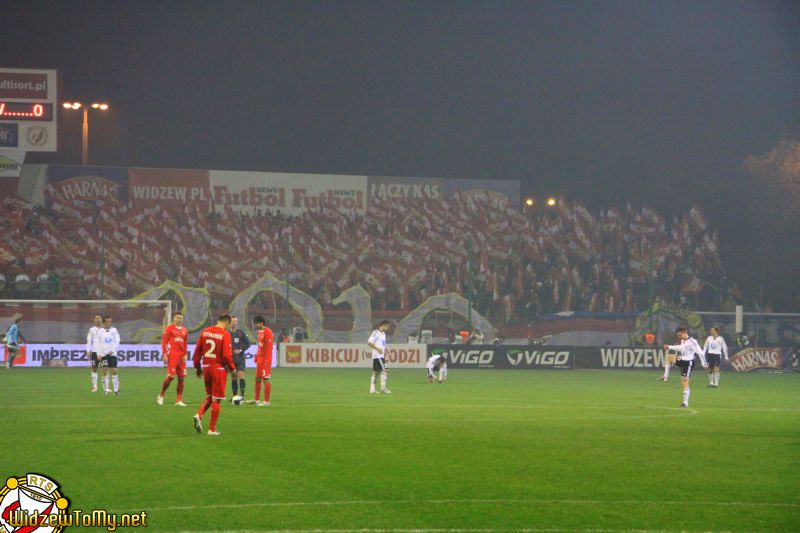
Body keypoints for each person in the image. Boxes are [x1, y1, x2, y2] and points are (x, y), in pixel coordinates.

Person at [192, 314, 234, 436]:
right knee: (217, 399)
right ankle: (212, 429)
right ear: (226, 323)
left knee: (210, 395)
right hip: (219, 368)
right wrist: (232, 368)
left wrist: (198, 368)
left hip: (206, 367)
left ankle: (199, 414)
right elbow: (226, 356)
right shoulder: (225, 334)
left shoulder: (205, 332)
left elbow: (197, 353)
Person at [663, 327, 708, 408]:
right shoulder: (683, 340)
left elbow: (700, 353)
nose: (679, 337)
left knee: (684, 381)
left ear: (684, 332)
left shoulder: (692, 342)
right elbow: (681, 348)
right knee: (669, 357)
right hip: (682, 360)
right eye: (678, 335)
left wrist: (704, 363)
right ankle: (665, 376)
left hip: (688, 363)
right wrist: (669, 347)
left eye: (680, 335)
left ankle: (685, 403)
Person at [157, 311, 189, 406]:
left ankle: (178, 400)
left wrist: (185, 354)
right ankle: (161, 395)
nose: (179, 319)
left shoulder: (184, 330)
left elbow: (185, 343)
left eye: (180, 318)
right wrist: (165, 354)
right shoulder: (169, 329)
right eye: (177, 318)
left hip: (181, 357)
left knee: (181, 378)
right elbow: (164, 342)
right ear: (174, 319)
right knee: (171, 376)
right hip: (172, 355)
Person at [249, 315, 274, 406]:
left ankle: (267, 401)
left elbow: (269, 347)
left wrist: (266, 360)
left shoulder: (268, 332)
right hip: (260, 359)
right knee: (257, 378)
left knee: (265, 379)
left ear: (261, 323)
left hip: (265, 360)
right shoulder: (260, 331)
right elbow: (260, 346)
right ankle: (256, 400)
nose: (255, 325)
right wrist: (257, 355)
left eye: (256, 323)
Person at [97, 316, 121, 395]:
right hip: (103, 354)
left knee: (114, 371)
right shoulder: (100, 331)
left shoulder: (114, 330)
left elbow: (117, 341)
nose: (109, 323)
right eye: (107, 321)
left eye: (110, 321)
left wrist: (113, 350)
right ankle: (106, 390)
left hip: (112, 354)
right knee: (105, 372)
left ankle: (116, 391)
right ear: (104, 322)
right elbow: (97, 343)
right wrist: (98, 354)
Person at [228, 316, 251, 400]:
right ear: (229, 322)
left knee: (241, 376)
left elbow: (248, 344)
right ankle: (234, 396)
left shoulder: (241, 333)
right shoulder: (226, 333)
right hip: (230, 359)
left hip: (240, 358)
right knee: (233, 377)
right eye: (233, 321)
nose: (234, 323)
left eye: (236, 321)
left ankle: (242, 396)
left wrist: (240, 350)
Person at [367, 320, 391, 394]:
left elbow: (381, 344)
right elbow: (369, 342)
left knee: (376, 372)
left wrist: (385, 349)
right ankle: (383, 388)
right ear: (383, 325)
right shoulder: (376, 332)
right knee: (385, 370)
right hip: (378, 356)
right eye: (387, 326)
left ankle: (372, 389)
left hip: (381, 356)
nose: (388, 328)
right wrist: (377, 349)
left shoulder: (383, 333)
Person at [86, 314, 103, 391]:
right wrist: (88, 350)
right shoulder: (91, 329)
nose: (97, 320)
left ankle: (106, 387)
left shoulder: (105, 329)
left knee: (105, 369)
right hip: (94, 352)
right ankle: (95, 387)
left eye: (99, 318)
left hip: (103, 352)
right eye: (96, 318)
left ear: (101, 319)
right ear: (94, 320)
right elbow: (89, 340)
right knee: (94, 369)